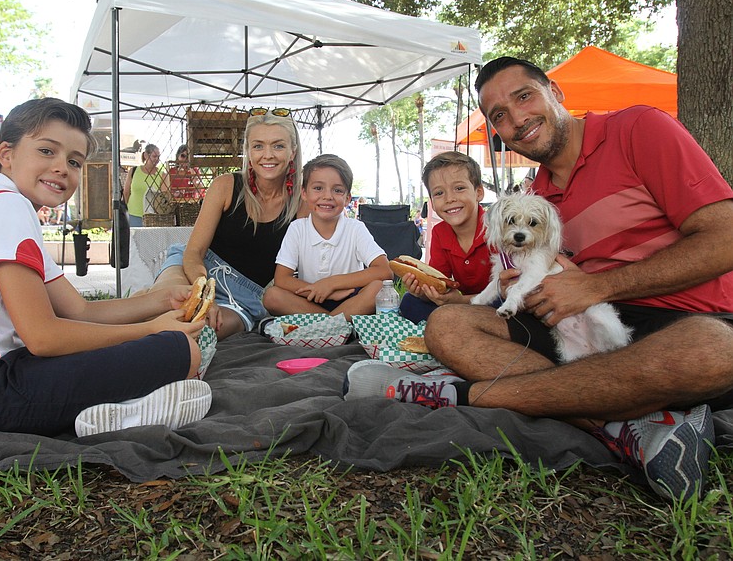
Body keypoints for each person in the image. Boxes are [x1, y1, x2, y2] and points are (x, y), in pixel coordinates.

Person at [344, 57, 733, 500]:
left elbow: (725, 237)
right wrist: (520, 288)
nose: (517, 119)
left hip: (677, 321)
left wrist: (600, 286)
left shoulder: (639, 128)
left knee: (715, 348)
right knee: (447, 326)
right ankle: (629, 422)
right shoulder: (535, 197)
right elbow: (547, 279)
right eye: (499, 116)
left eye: (524, 96)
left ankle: (462, 395)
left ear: (556, 92)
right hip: (576, 325)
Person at [0, 98, 211, 438]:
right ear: (6, 155)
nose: (63, 167)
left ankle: (122, 405)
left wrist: (163, 301)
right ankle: (127, 412)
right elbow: (43, 337)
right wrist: (149, 330)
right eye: (47, 151)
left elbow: (79, 310)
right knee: (180, 350)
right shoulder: (6, 208)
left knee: (163, 346)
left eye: (74, 161)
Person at [148, 107, 304, 339]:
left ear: (292, 152)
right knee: (161, 308)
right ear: (248, 152)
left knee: (197, 331)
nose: (267, 155)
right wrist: (203, 295)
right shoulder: (226, 185)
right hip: (196, 271)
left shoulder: (302, 203)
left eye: (278, 146)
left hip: (244, 297)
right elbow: (194, 252)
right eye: (258, 145)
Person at [263, 154, 391, 320]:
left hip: (351, 299)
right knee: (272, 296)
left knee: (378, 288)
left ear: (347, 199)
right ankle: (335, 322)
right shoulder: (297, 229)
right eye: (318, 188)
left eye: (337, 190)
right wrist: (322, 291)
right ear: (304, 193)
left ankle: (326, 323)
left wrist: (331, 284)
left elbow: (384, 271)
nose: (327, 196)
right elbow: (281, 278)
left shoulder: (355, 229)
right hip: (309, 300)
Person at [398, 152, 493, 324]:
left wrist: (460, 301)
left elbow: (508, 292)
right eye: (439, 193)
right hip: (465, 308)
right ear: (432, 202)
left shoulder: (498, 229)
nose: (450, 199)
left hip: (500, 306)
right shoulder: (440, 232)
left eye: (459, 188)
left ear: (478, 192)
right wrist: (424, 291)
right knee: (409, 301)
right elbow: (440, 284)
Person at [123, 143, 166, 227]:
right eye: (154, 156)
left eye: (158, 157)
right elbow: (126, 192)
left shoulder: (162, 175)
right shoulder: (133, 171)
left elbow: (164, 196)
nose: (157, 159)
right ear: (146, 155)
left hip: (153, 216)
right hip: (133, 214)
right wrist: (124, 210)